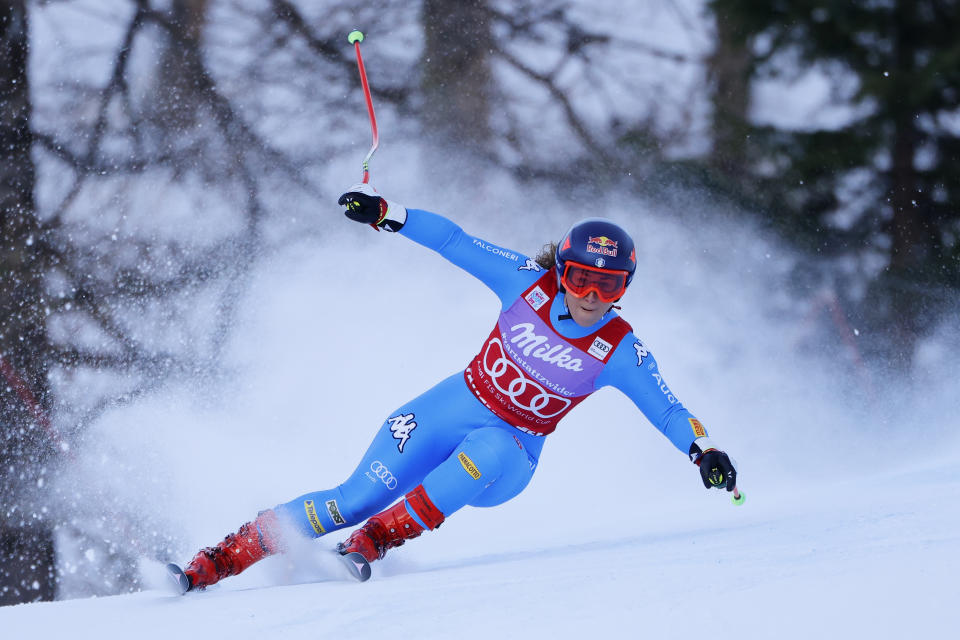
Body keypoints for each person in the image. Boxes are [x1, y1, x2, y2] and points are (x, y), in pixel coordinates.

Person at [168, 183, 738, 592]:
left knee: (487, 448)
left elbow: (667, 409)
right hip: (451, 406)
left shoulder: (619, 347)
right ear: (561, 271)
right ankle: (218, 561)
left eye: (607, 285)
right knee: (352, 497)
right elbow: (456, 241)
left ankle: (374, 541)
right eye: (580, 278)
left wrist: (703, 450)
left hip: (510, 454)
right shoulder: (524, 283)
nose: (590, 295)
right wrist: (386, 213)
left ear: (623, 289)